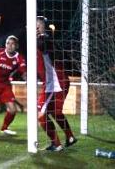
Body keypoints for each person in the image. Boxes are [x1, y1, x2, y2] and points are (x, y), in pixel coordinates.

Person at [36, 16, 77, 151]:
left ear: (43, 27)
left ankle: (57, 144)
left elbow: (44, 45)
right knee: (55, 112)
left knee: (41, 115)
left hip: (55, 83)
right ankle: (70, 137)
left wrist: (37, 37)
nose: (36, 27)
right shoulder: (41, 40)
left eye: (38, 25)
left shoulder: (45, 39)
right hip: (56, 81)